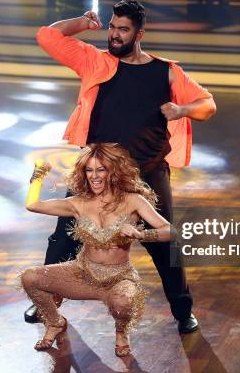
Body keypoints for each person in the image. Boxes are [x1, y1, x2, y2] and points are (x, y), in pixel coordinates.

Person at [26, 0, 216, 333]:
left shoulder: (166, 70)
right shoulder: (94, 60)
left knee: (163, 243)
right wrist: (82, 24)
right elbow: (48, 36)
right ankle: (47, 300)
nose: (114, 35)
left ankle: (183, 311)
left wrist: (182, 111)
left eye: (122, 30)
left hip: (147, 172)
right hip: (97, 172)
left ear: (139, 33)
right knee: (64, 237)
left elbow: (208, 104)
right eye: (112, 27)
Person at [21, 143, 172, 357]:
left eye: (100, 169)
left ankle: (121, 332)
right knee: (30, 278)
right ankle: (54, 322)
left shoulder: (133, 201)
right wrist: (39, 173)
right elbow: (33, 205)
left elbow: (170, 231)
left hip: (118, 279)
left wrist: (142, 234)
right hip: (82, 274)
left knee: (123, 303)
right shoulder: (77, 203)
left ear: (113, 172)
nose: (94, 176)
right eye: (89, 170)